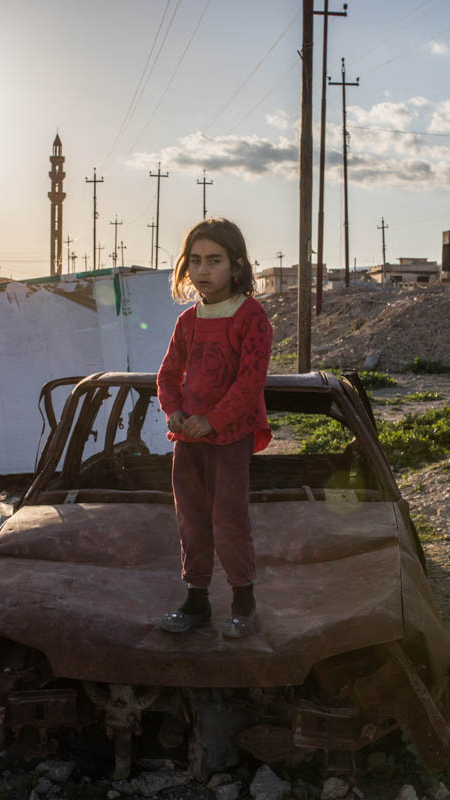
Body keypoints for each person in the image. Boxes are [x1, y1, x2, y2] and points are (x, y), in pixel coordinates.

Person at [155, 218, 273, 639]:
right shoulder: (188, 321)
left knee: (228, 519)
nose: (203, 270)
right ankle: (196, 601)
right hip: (187, 440)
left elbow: (249, 383)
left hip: (228, 439)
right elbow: (168, 375)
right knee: (191, 519)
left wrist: (213, 420)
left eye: (215, 260)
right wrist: (173, 411)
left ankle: (243, 601)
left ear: (237, 266)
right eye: (196, 261)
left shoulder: (251, 317)